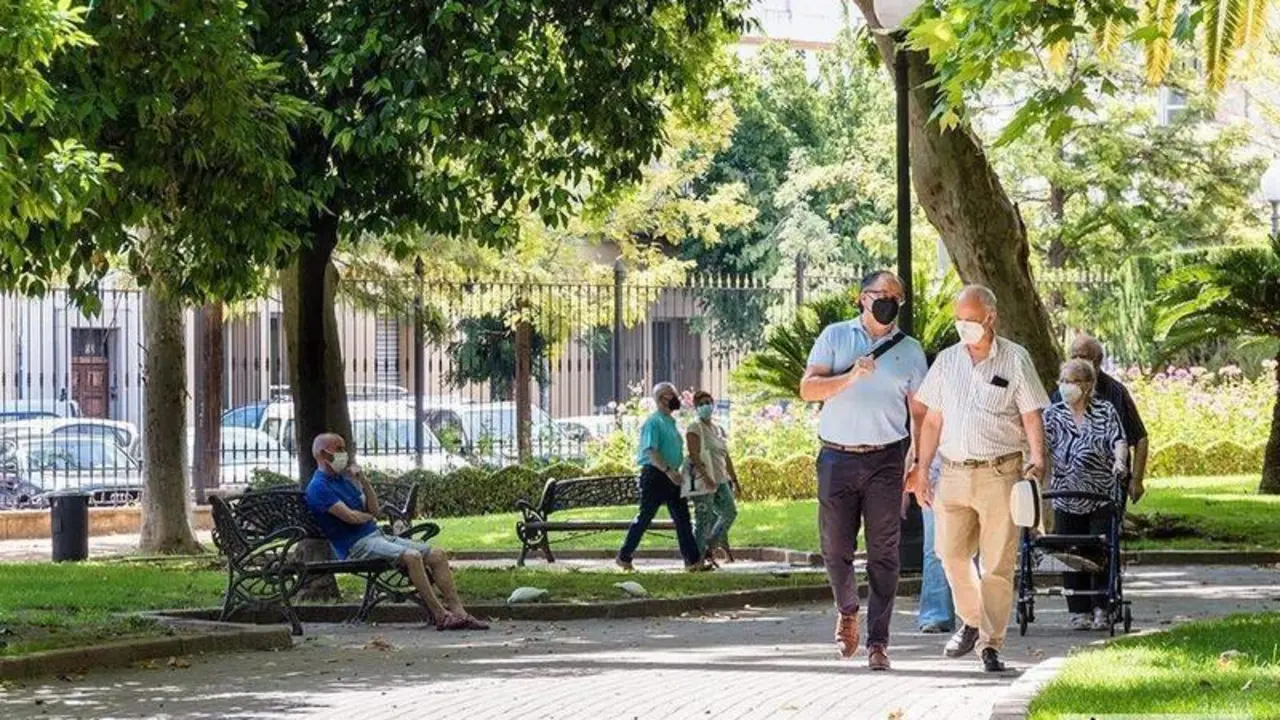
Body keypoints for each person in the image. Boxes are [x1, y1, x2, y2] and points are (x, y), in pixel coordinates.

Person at [909, 284, 1050, 673]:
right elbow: (932, 418)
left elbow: (1031, 415)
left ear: (990, 317)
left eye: (969, 320)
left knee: (996, 566)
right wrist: (922, 470)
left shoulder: (1015, 360)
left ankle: (990, 644)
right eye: (959, 320)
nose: (963, 328)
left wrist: (1037, 459)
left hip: (1000, 473)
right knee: (950, 554)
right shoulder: (947, 361)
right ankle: (971, 619)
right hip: (953, 472)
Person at [800, 270, 928, 671]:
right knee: (835, 548)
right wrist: (850, 376)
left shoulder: (910, 350)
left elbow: (920, 411)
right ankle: (847, 609)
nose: (889, 301)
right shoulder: (835, 336)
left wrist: (919, 461)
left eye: (897, 296)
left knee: (884, 553)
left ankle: (878, 642)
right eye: (881, 294)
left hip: (886, 460)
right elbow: (808, 389)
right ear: (862, 298)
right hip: (837, 456)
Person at [304, 433, 487, 631]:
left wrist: (363, 481)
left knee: (438, 555)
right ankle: (441, 615)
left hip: (375, 536)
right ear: (323, 453)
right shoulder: (318, 487)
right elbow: (352, 518)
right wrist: (366, 517)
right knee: (412, 556)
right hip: (356, 545)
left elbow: (373, 510)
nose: (344, 454)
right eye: (339, 449)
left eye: (345, 448)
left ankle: (460, 613)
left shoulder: (344, 480)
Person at [1045, 359, 1128, 631]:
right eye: (1064, 381)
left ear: (1088, 385)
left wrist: (1120, 461)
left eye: (1074, 381)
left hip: (1099, 494)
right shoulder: (1053, 414)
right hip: (1065, 493)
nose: (1067, 387)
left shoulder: (1105, 411)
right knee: (1071, 552)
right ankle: (1079, 611)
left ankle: (1101, 608)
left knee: (1099, 551)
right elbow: (1041, 446)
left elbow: (1119, 440)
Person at [617, 382, 703, 572]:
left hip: (672, 474)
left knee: (682, 518)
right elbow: (650, 451)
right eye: (671, 395)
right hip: (657, 474)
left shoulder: (670, 421)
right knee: (645, 517)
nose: (675, 398)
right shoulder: (653, 422)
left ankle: (693, 561)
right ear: (661, 398)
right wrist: (668, 471)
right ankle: (624, 556)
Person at [1052, 334, 1148, 504]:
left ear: (1098, 360)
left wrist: (1136, 479)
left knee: (1105, 529)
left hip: (1107, 487)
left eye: (1084, 356)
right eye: (1074, 356)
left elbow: (1139, 437)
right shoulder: (1060, 397)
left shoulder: (1115, 394)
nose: (1078, 361)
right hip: (1066, 488)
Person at [687, 391, 740, 565]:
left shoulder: (717, 429)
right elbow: (693, 454)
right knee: (704, 518)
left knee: (730, 511)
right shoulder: (694, 428)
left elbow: (726, 456)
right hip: (704, 481)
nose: (706, 406)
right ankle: (698, 558)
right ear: (696, 407)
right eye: (701, 403)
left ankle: (711, 545)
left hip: (721, 479)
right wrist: (705, 475)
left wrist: (734, 479)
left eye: (708, 402)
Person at [916, 455, 956, 634]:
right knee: (934, 548)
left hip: (974, 471)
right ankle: (935, 615)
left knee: (977, 548)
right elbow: (918, 442)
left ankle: (980, 617)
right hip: (934, 479)